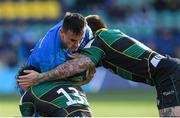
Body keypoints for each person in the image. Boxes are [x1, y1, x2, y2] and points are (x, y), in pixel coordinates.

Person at [18, 15, 180, 117]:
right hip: (167, 73)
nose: (78, 46)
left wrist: (39, 78)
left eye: (81, 41)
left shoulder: (98, 41)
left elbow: (77, 67)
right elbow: (86, 73)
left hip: (168, 75)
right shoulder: (109, 38)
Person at [17, 12, 94, 117]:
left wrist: (83, 55)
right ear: (62, 32)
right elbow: (56, 82)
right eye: (73, 40)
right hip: (33, 76)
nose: (77, 45)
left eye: (80, 41)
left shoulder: (85, 31)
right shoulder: (48, 58)